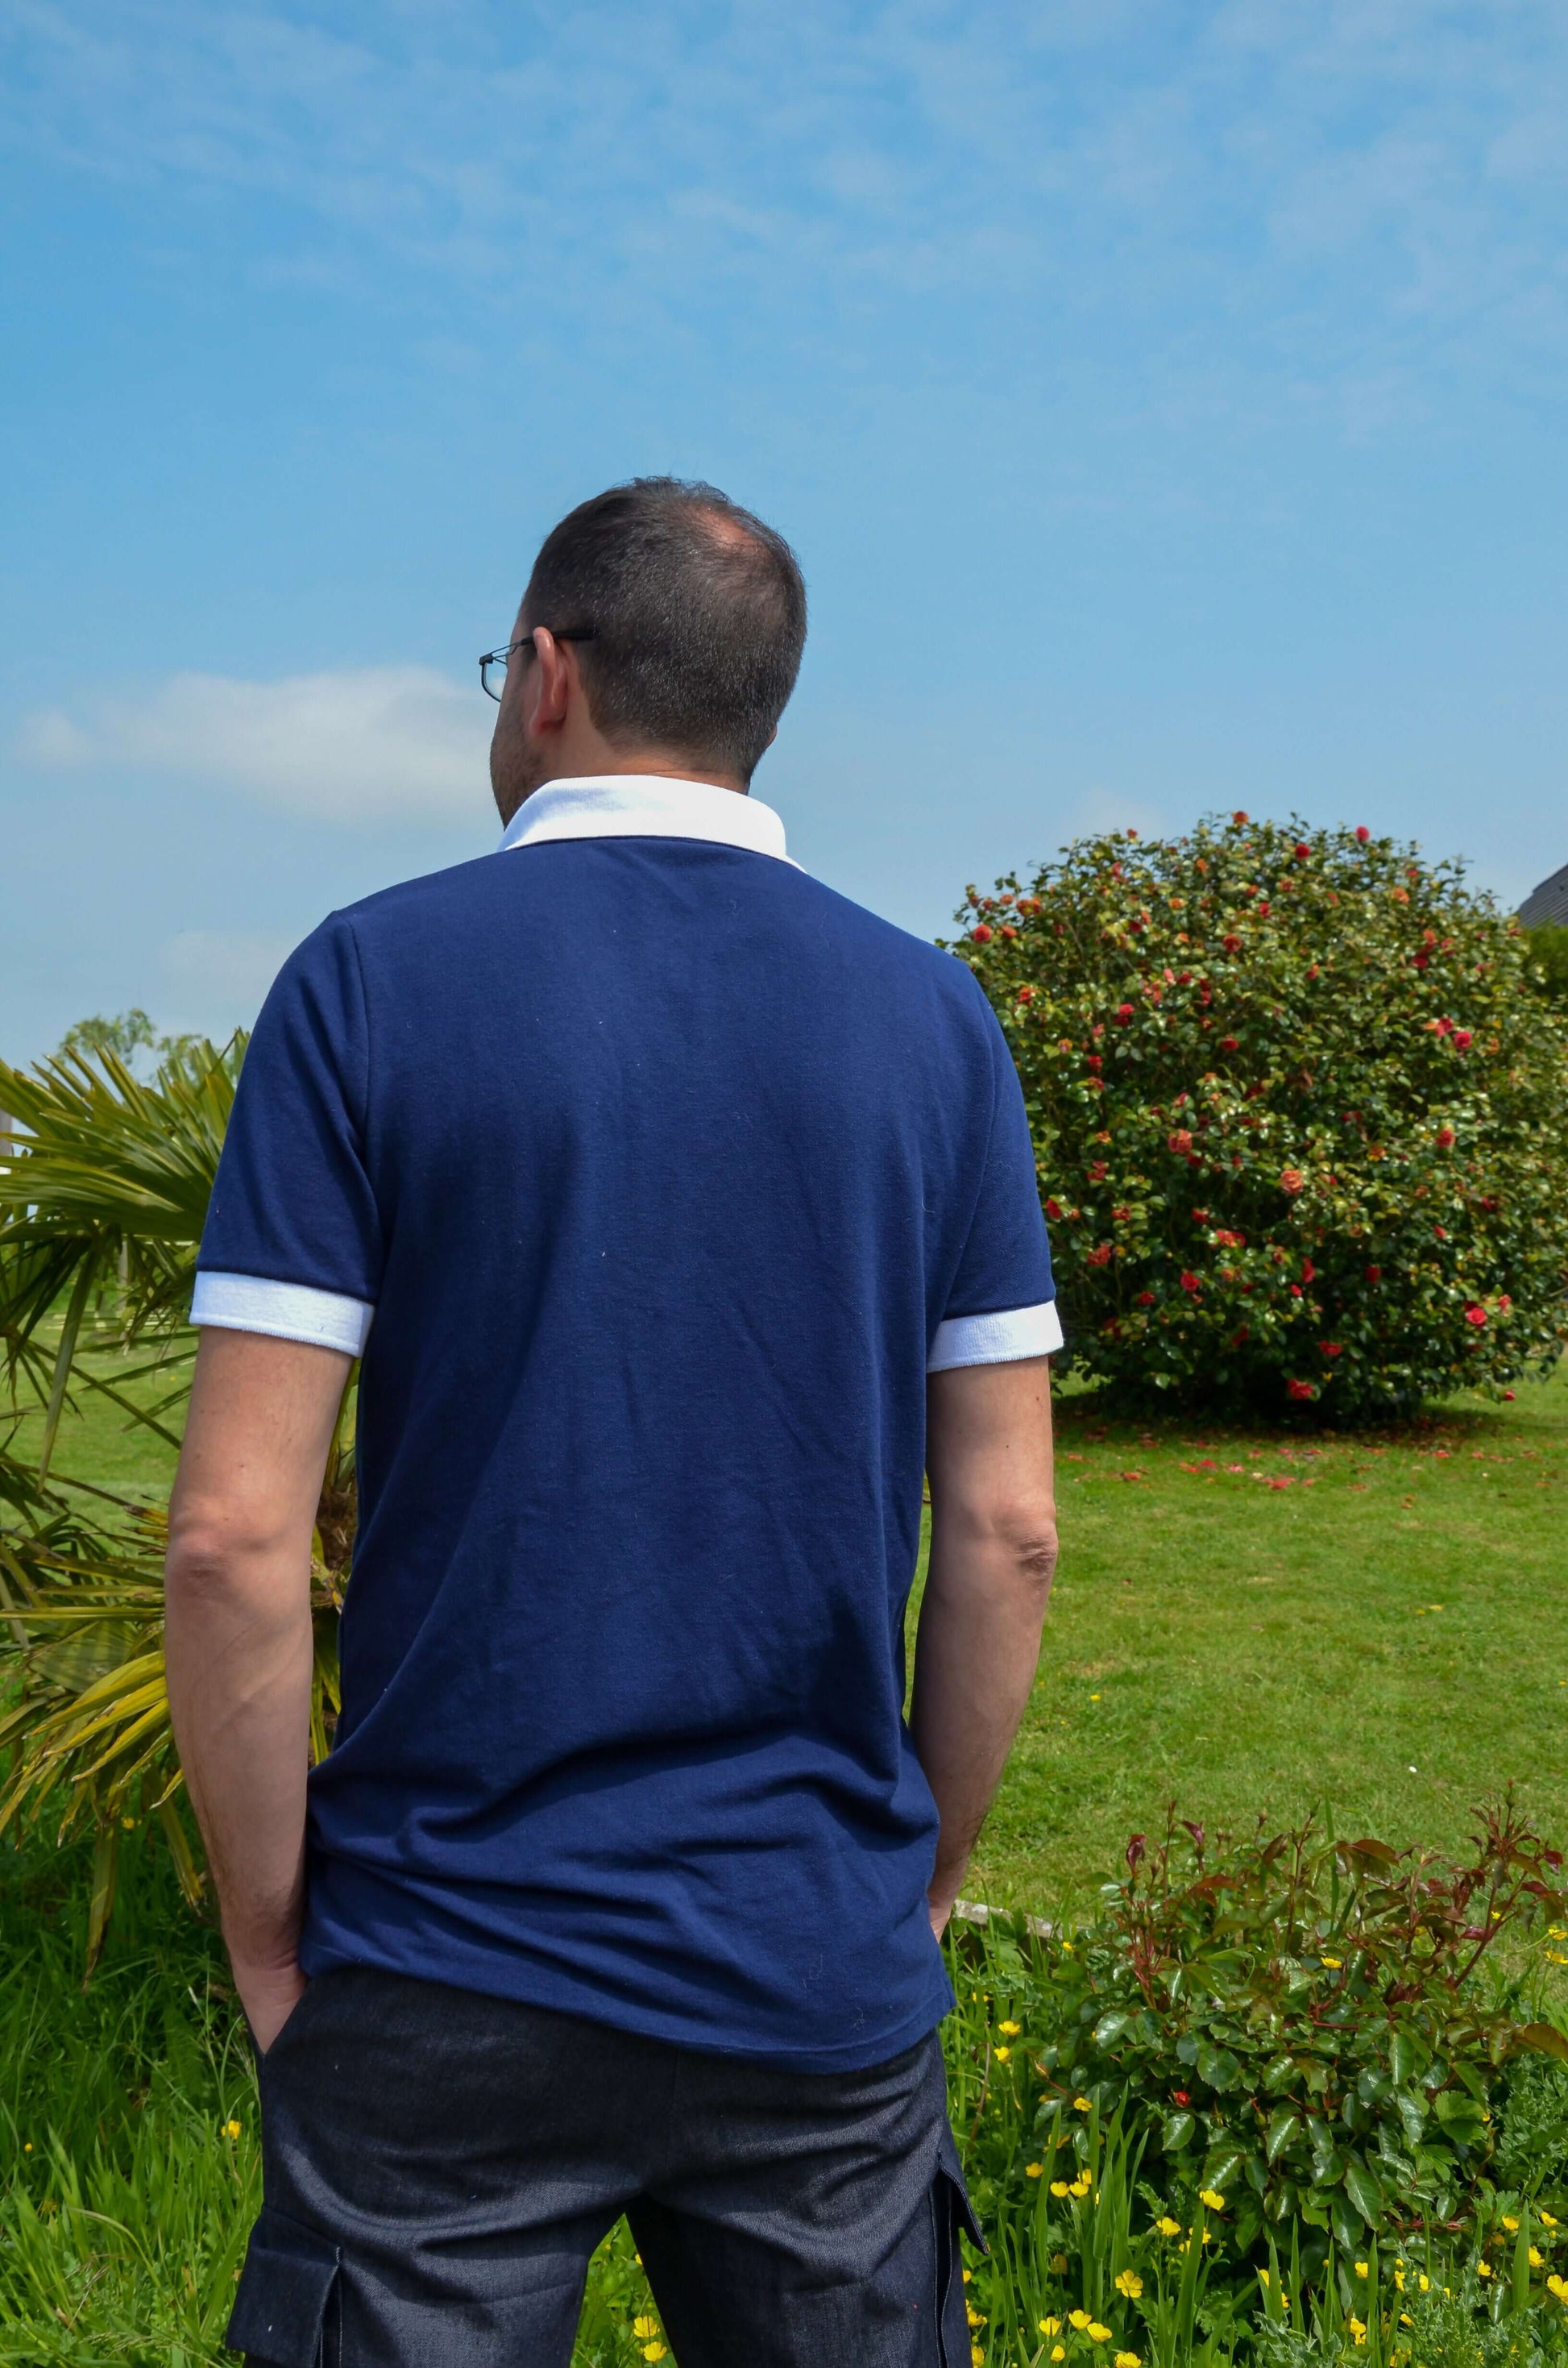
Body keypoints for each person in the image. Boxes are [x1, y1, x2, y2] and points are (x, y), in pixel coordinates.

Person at [164, 476, 1060, 2368]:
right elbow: (1005, 1530)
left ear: (548, 675)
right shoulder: (936, 1025)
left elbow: (234, 1534)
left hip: (443, 1958)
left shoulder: (366, 981)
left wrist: (267, 1931)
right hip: (812, 1955)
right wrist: (917, 1871)